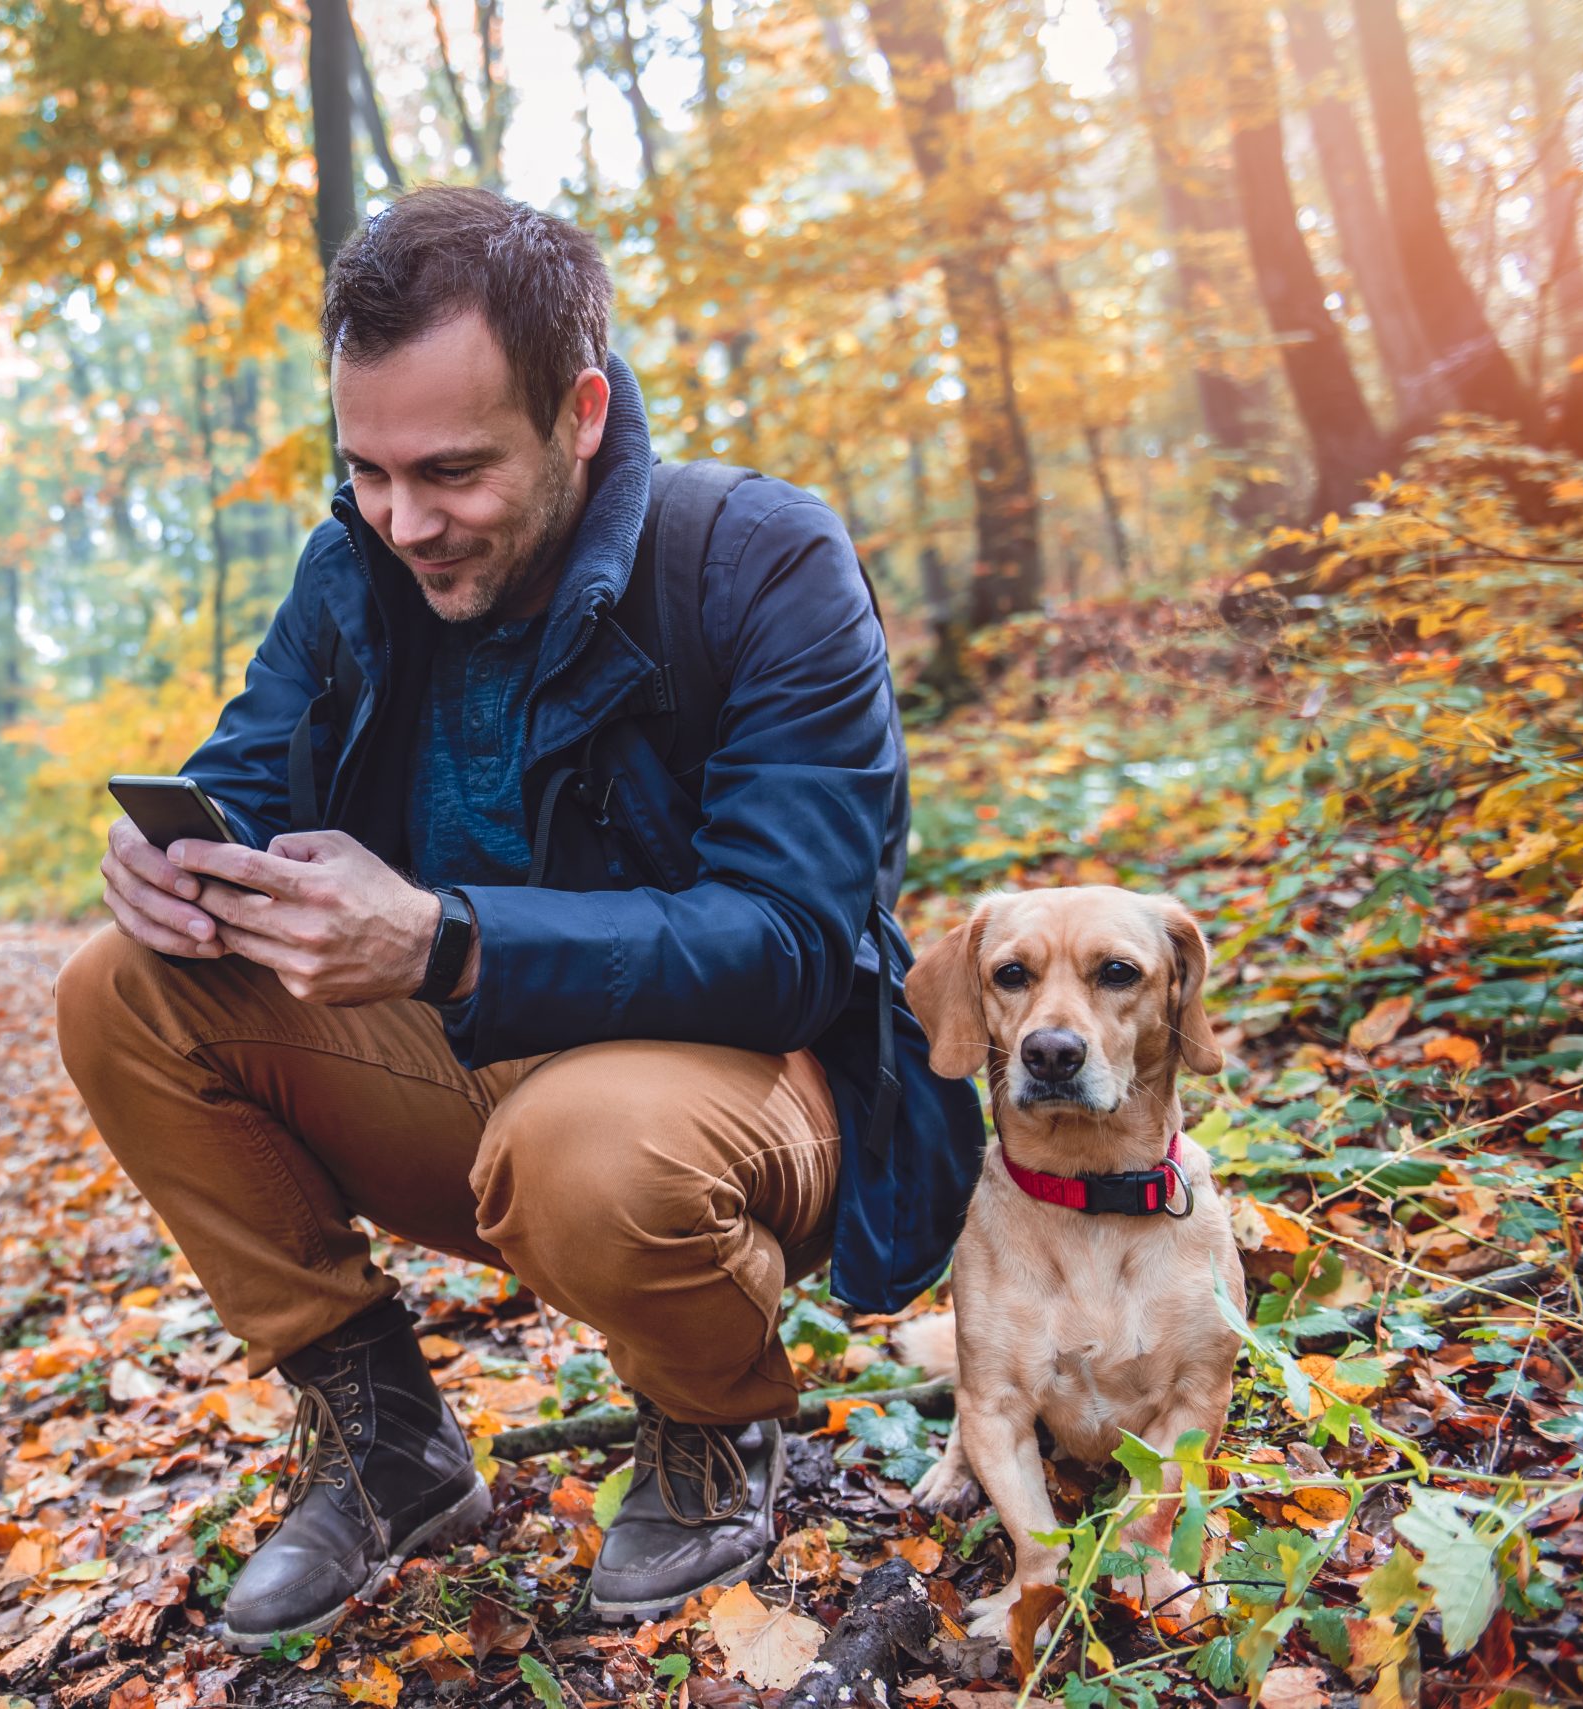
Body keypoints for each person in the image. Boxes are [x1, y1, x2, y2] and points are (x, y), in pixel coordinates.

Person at [54, 185, 982, 1647]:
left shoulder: (759, 559)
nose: (405, 521)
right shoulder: (354, 568)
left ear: (581, 412)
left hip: (755, 1095)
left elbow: (798, 942)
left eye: (452, 471)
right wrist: (174, 857)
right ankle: (386, 1443)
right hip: (475, 1066)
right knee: (120, 990)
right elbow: (244, 771)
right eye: (367, 470)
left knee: (590, 1144)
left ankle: (710, 1421)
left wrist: (447, 941)